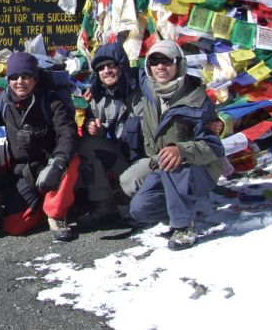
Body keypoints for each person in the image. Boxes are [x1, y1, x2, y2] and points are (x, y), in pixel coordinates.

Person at [128, 40, 225, 250]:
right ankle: (180, 209)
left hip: (199, 170)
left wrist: (181, 150)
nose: (160, 67)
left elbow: (214, 147)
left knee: (172, 161)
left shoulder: (197, 99)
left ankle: (184, 227)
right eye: (154, 61)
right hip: (161, 166)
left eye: (167, 61)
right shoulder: (149, 90)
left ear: (178, 64)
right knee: (140, 208)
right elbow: (119, 67)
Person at [0, 52, 80, 241]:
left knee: (71, 160)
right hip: (25, 170)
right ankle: (42, 206)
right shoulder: (1, 101)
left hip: (51, 163)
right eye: (14, 77)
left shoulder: (51, 100)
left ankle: (56, 215)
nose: (19, 82)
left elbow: (67, 133)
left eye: (26, 76)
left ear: (35, 78)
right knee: (14, 226)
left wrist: (58, 162)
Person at [77, 42, 144, 227]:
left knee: (141, 208)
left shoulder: (143, 87)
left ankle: (130, 201)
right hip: (122, 157)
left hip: (148, 159)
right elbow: (96, 127)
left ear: (122, 65)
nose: (106, 71)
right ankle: (104, 204)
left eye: (111, 65)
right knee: (86, 144)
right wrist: (93, 127)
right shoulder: (96, 97)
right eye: (100, 68)